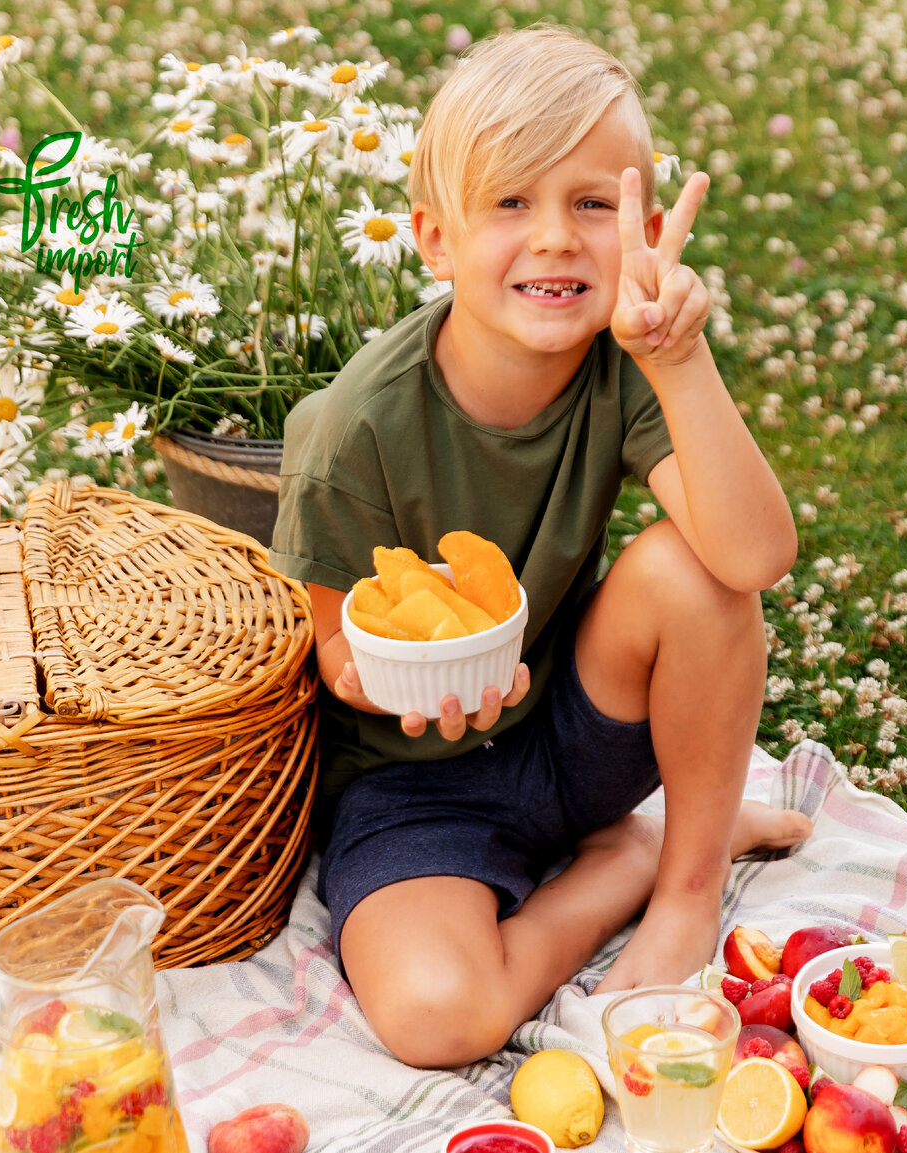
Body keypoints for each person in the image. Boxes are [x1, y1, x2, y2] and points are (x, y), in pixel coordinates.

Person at [269, 25, 811, 1069]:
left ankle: (689, 887)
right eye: (512, 203)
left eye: (594, 205)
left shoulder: (629, 364)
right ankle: (628, 863)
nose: (558, 238)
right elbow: (335, 651)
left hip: (569, 731)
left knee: (689, 567)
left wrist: (681, 360)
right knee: (437, 1016)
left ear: (646, 226)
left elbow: (753, 560)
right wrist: (408, 679)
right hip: (412, 782)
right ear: (434, 239)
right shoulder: (355, 428)